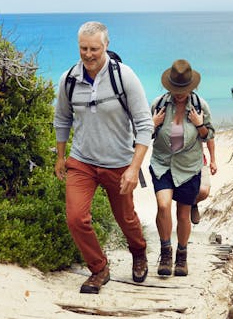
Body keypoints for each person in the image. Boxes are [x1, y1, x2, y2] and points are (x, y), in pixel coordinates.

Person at [54, 21, 154, 294]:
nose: (88, 54)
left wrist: (134, 168)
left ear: (106, 46)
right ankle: (99, 269)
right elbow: (62, 119)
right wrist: (61, 155)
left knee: (126, 219)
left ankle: (139, 252)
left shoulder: (124, 76)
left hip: (119, 163)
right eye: (83, 48)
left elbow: (145, 125)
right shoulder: (69, 80)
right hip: (82, 161)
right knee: (76, 218)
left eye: (94, 49)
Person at [149, 59, 215, 277]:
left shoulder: (200, 106)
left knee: (183, 215)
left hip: (188, 166)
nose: (179, 94)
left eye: (183, 90)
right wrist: (153, 124)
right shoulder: (159, 104)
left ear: (191, 87)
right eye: (175, 89)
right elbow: (145, 134)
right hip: (162, 163)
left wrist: (199, 124)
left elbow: (209, 135)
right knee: (163, 205)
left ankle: (182, 255)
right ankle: (165, 251)